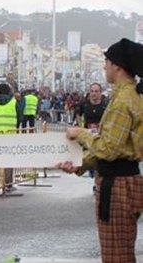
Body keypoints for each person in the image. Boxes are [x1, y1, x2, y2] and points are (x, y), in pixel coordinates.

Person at [58, 38, 143, 263]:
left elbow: (109, 149)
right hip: (119, 182)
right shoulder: (123, 96)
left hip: (118, 187)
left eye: (106, 61)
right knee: (116, 251)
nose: (104, 66)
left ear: (117, 65)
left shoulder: (123, 100)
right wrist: (81, 164)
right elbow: (112, 147)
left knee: (117, 255)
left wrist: (81, 134)